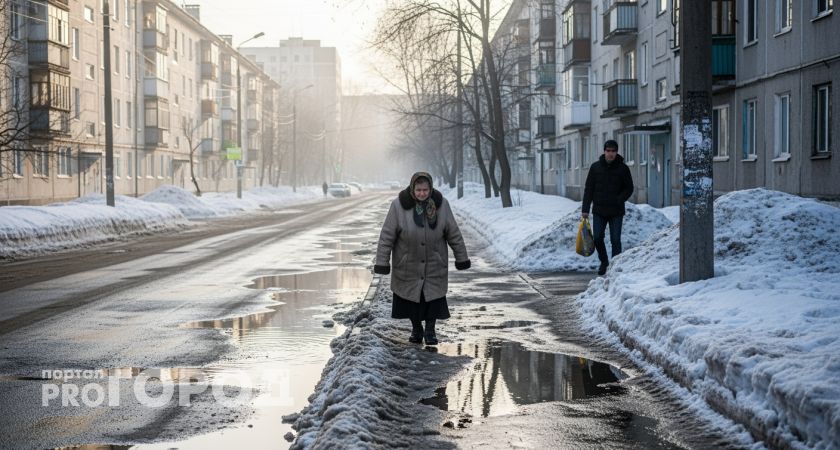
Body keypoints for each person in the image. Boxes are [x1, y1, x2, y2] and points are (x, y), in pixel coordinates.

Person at [374, 172, 470, 345]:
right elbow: (387, 236)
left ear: (431, 189)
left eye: (425, 190)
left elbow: (453, 233)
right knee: (412, 300)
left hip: (434, 263)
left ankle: (430, 330)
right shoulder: (398, 206)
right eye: (418, 190)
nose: (422, 193)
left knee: (432, 300)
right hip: (407, 264)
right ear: (412, 188)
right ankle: (416, 328)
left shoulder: (442, 205)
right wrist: (382, 261)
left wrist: (461, 257)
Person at [582, 139, 634, 276]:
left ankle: (615, 267)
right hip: (599, 210)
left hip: (616, 211)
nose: (610, 154)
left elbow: (629, 188)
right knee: (598, 237)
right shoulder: (595, 167)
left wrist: (619, 199)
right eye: (608, 151)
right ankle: (604, 261)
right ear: (604, 151)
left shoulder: (623, 168)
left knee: (615, 240)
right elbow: (589, 189)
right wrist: (585, 209)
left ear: (617, 152)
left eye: (613, 151)